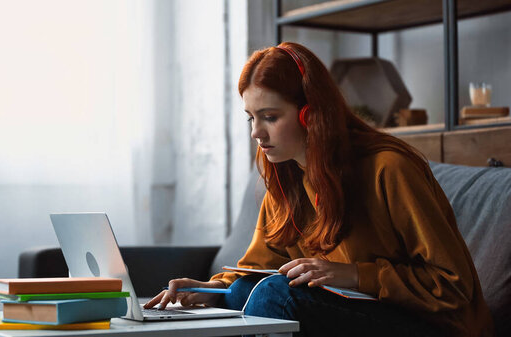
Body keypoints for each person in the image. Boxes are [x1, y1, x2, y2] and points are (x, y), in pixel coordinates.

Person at [144, 42, 494, 337]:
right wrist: (213, 290)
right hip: (361, 313)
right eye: (251, 118)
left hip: (435, 325)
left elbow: (453, 287)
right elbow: (258, 266)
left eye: (270, 117)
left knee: (275, 296)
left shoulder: (389, 168)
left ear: (310, 116)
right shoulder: (285, 179)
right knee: (243, 290)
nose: (256, 133)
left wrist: (356, 275)